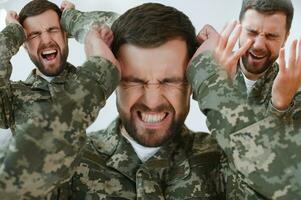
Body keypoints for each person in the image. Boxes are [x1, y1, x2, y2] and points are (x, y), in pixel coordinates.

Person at [47, 2, 227, 199]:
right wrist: (96, 75)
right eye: (135, 81)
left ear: (193, 81)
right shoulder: (67, 160)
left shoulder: (226, 160)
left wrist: (212, 82)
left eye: (169, 81)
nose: (152, 101)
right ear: (112, 80)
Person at [0, 0, 120, 198]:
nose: (46, 40)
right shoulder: (12, 98)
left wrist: (73, 19)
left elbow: (126, 28)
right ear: (24, 44)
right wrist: (13, 32)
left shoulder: (102, 68)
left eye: (53, 30)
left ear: (66, 34)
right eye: (34, 35)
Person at [188, 0, 301, 198]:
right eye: (251, 32)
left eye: (271, 36)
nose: (258, 45)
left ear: (285, 38)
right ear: (239, 28)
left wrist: (279, 105)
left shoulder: (295, 88)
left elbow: (276, 168)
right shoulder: (212, 66)